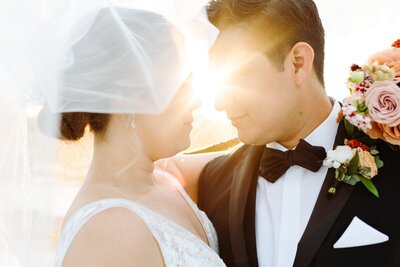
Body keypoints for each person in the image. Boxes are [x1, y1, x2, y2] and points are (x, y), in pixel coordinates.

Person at [164, 0, 400, 266]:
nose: (219, 103)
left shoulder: (394, 162)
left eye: (236, 77)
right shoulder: (210, 183)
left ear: (298, 63)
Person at [29, 1, 226, 266]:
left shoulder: (167, 179)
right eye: (180, 86)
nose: (197, 101)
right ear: (126, 97)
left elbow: (239, 162)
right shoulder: (108, 236)